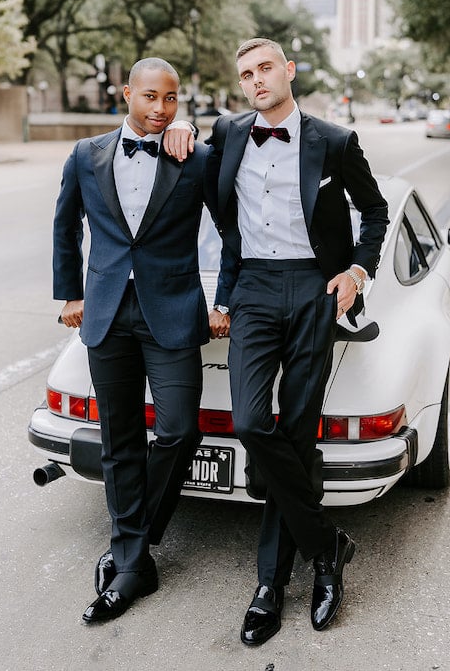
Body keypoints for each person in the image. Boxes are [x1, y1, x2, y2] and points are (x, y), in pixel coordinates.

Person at [166, 37, 388, 645]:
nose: (257, 79)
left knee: (296, 430)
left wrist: (357, 271)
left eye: (266, 68)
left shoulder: (335, 141)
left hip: (315, 287)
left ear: (289, 71)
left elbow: (375, 212)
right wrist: (181, 123)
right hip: (255, 290)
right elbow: (196, 162)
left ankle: (269, 584)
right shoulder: (231, 132)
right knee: (249, 423)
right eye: (246, 74)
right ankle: (326, 547)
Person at [52, 57, 226, 625]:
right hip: (104, 311)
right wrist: (70, 294)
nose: (160, 109)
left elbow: (234, 231)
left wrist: (223, 300)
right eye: (150, 97)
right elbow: (66, 224)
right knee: (118, 438)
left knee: (179, 428)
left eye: (171, 100)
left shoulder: (193, 156)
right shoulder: (86, 154)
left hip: (171, 311)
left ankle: (129, 545)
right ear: (126, 93)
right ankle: (134, 563)